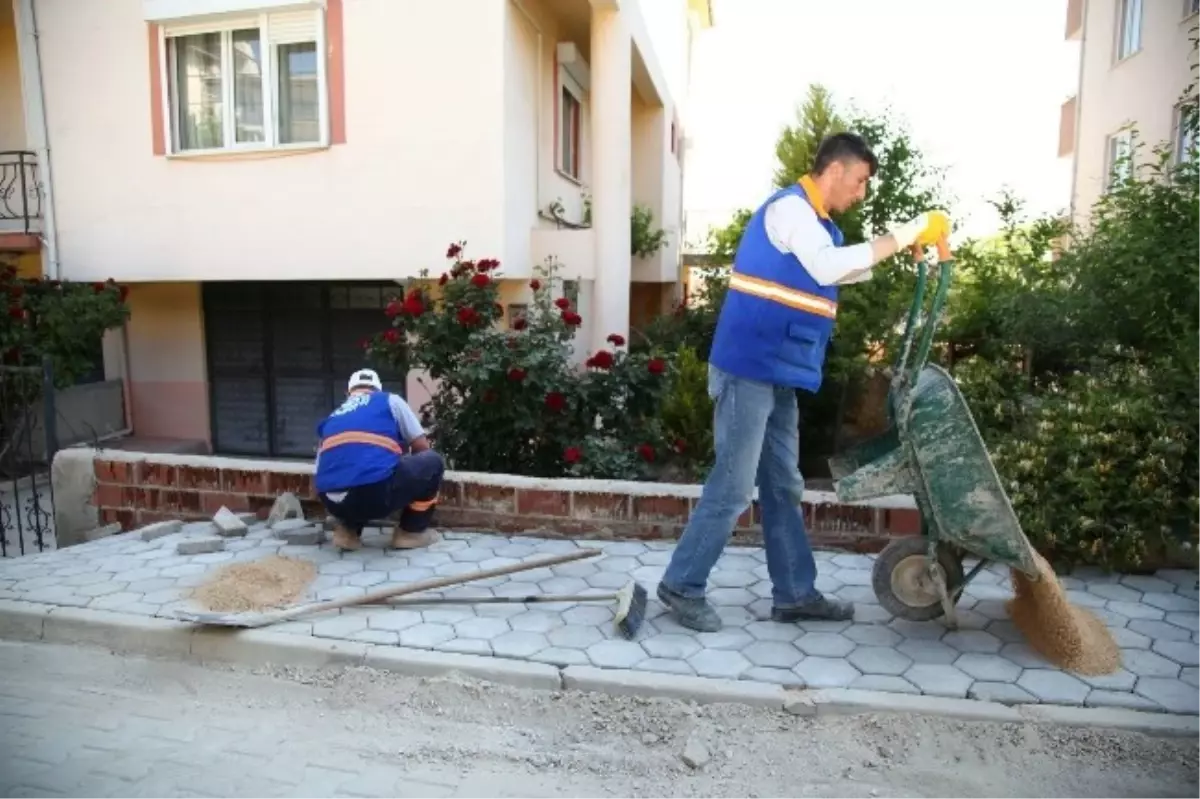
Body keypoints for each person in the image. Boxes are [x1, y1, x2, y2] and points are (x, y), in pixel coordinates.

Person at [657, 132, 949, 632]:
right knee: (732, 486)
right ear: (834, 170)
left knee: (783, 485)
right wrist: (906, 231)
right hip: (747, 368)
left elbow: (836, 270)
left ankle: (794, 593)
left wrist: (899, 248)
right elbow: (827, 266)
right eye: (859, 181)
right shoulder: (790, 211)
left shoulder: (820, 227)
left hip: (777, 373)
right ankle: (682, 586)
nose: (860, 193)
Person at [314, 368, 445, 551]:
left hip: (332, 502)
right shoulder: (389, 400)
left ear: (348, 393)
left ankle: (347, 532)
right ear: (378, 390)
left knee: (350, 470)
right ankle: (410, 532)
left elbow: (320, 470)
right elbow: (421, 448)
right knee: (433, 462)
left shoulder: (332, 418)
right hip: (375, 496)